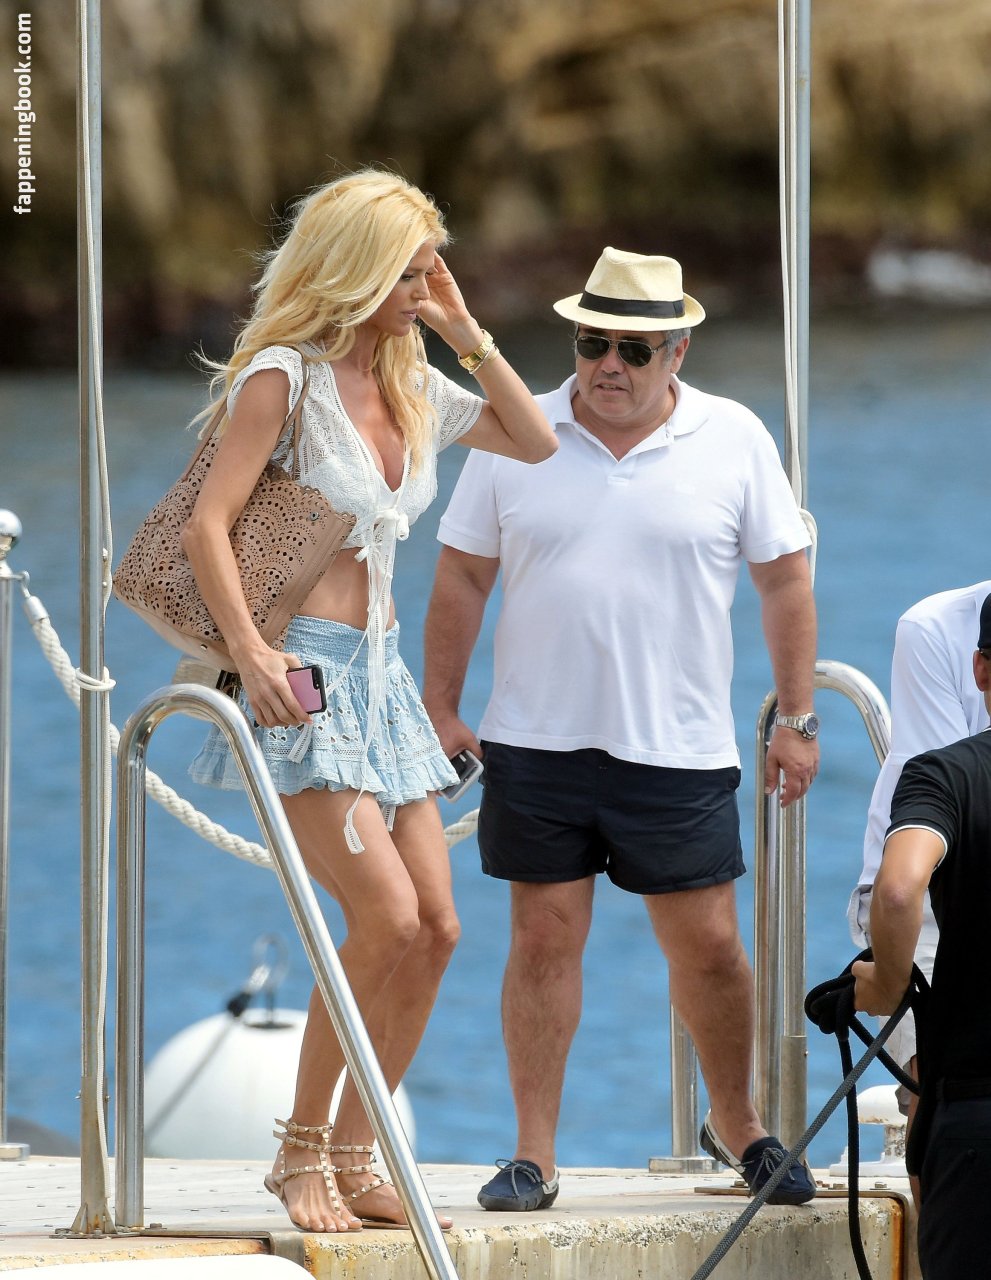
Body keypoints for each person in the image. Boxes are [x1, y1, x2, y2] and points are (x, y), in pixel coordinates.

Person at [181, 168, 558, 1233]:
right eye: (406, 271)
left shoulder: (411, 382)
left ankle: (356, 1152)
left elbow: (537, 440)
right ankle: (299, 1152)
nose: (421, 287)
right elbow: (209, 523)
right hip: (301, 670)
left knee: (435, 927)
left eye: (431, 269)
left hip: (383, 682)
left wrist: (462, 328)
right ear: (353, 268)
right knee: (384, 916)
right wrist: (251, 651)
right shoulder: (283, 378)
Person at [422, 247, 819, 1210]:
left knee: (710, 949)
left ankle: (739, 1126)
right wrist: (440, 704)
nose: (608, 364)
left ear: (676, 351)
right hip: (536, 740)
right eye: (591, 342)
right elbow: (463, 572)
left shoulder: (733, 437)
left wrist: (796, 716)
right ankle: (534, 1156)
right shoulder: (514, 428)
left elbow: (784, 580)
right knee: (541, 942)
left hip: (677, 745)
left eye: (633, 349)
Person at [853, 592, 991, 1280]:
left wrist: (884, 982)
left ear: (980, 670)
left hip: (974, 1112)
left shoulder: (948, 774)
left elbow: (900, 888)